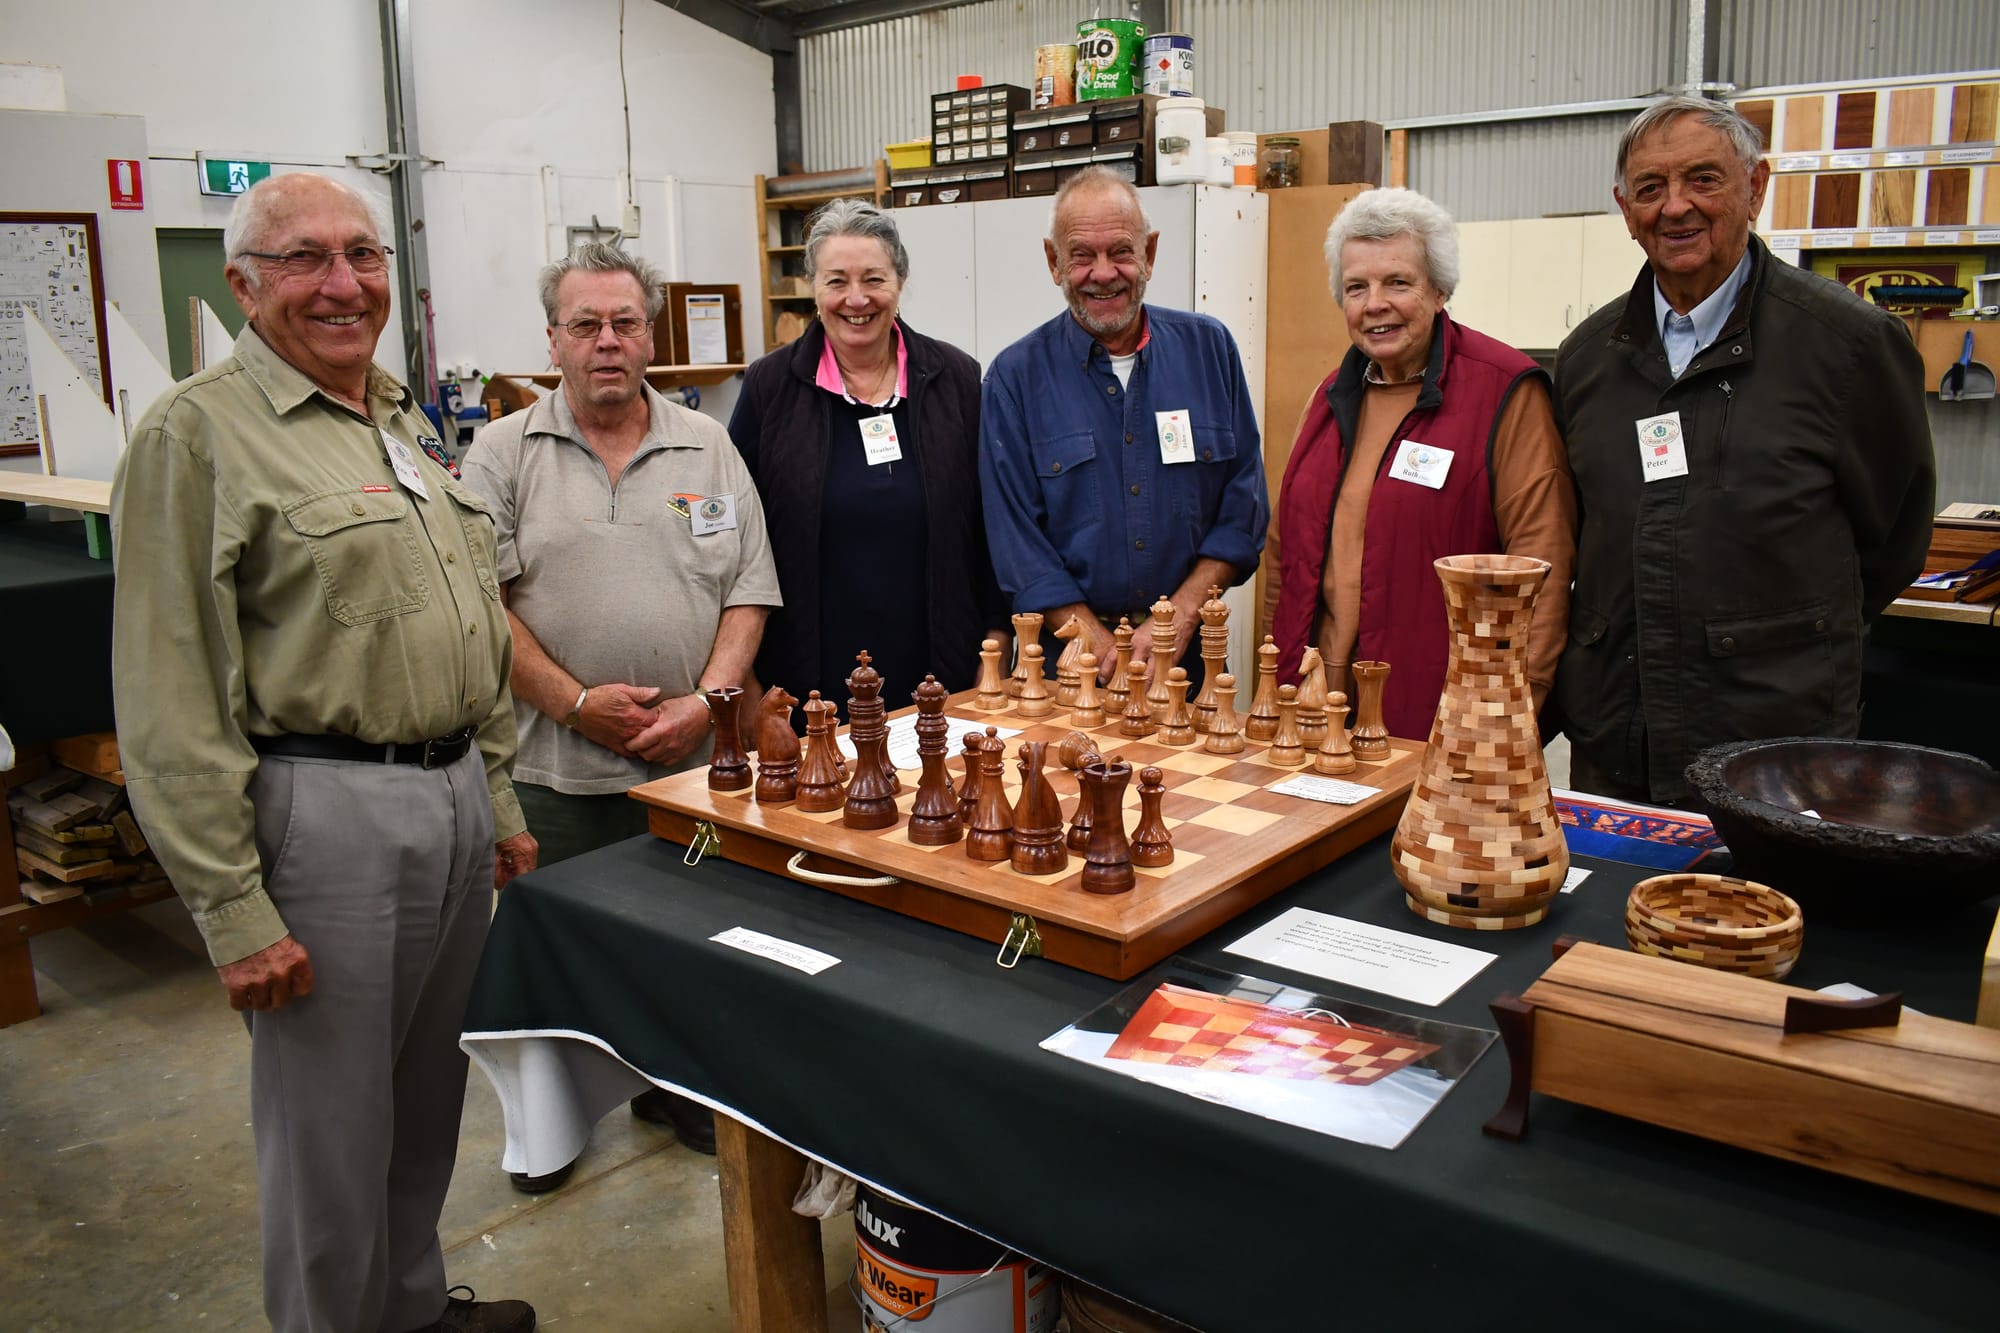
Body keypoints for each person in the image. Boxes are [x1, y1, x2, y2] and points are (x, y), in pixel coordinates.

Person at [109, 173, 536, 1333]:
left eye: (362, 255)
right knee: (326, 1130)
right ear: (243, 284)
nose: (343, 284)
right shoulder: (194, 435)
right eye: (305, 259)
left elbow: (454, 623)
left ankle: (403, 1307)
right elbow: (168, 691)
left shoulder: (392, 416)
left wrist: (492, 796)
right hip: (326, 814)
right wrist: (231, 908)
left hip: (445, 795)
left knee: (419, 1098)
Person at [460, 244, 781, 1183]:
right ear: (552, 339)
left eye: (626, 323)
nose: (608, 342)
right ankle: (548, 1129)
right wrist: (573, 703)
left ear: (651, 335)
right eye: (586, 325)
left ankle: (672, 1086)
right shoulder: (501, 452)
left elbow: (750, 592)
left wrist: (708, 704)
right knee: (550, 961)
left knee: (681, 947)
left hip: (687, 769)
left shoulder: (706, 443)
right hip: (554, 775)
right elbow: (483, 604)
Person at [1553, 95, 1935, 802]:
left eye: (1703, 179)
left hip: (1776, 753)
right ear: (1624, 208)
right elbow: (1582, 536)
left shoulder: (1848, 347)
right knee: (1602, 912)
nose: (1675, 208)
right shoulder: (1587, 360)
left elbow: (1894, 543)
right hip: (1617, 741)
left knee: (1769, 913)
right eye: (1650, 188)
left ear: (1756, 186)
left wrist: (1777, 642)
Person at [1265, 188, 1575, 739]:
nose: (1374, 304)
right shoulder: (1329, 397)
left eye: (1398, 282)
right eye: (1356, 287)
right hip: (1316, 704)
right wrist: (1274, 678)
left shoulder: (1503, 391)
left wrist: (1513, 715)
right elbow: (1285, 556)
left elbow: (1541, 568)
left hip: (1441, 713)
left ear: (1439, 289)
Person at [980, 166, 1267, 684]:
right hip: (1066, 664)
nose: (1104, 273)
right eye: (1082, 256)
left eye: (1121, 252)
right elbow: (1013, 537)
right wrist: (1092, 638)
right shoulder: (1013, 378)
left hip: (1186, 661)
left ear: (1150, 254)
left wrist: (1177, 618)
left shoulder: (1211, 351)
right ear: (1054, 262)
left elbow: (1243, 506)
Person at [727, 199, 1006, 712]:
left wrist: (995, 637)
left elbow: (989, 524)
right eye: (836, 281)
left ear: (900, 281)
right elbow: (736, 534)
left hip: (939, 659)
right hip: (805, 674)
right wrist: (742, 678)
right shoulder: (771, 385)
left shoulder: (958, 379)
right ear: (814, 288)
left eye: (873, 279)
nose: (856, 299)